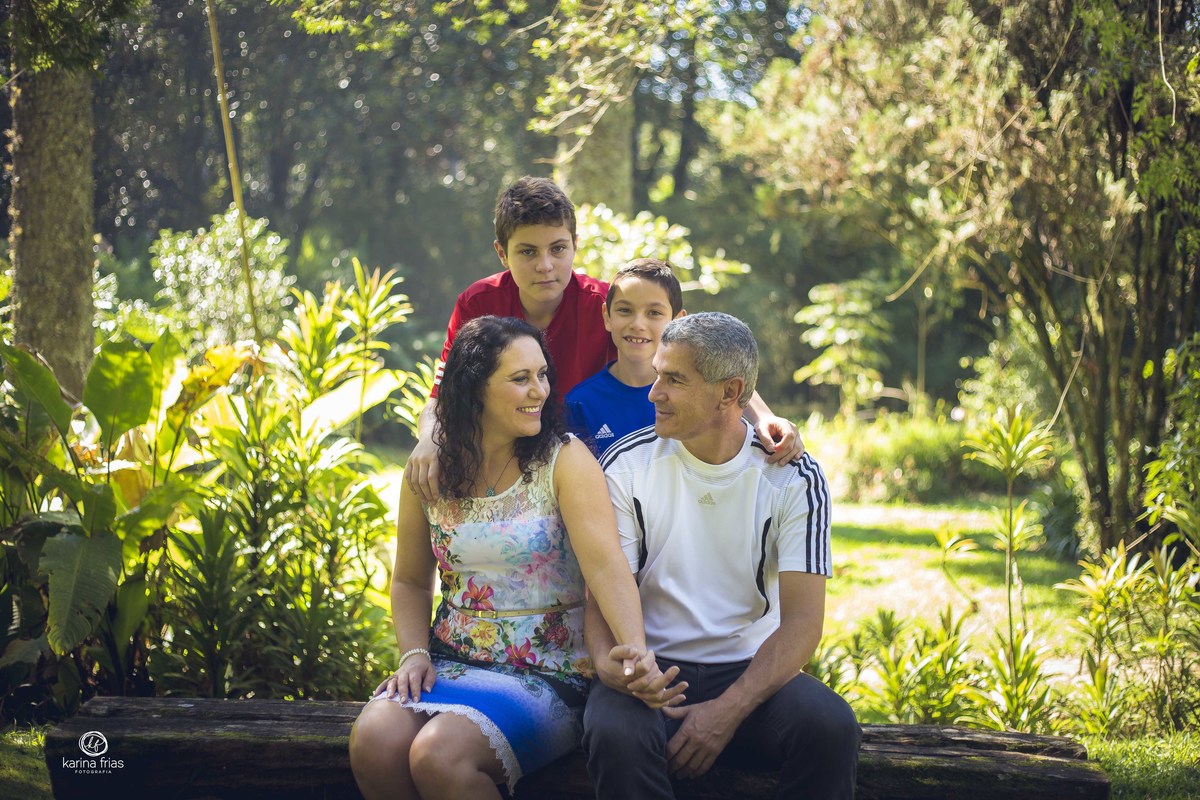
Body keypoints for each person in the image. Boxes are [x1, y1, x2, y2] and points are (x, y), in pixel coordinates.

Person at [349, 316, 679, 800]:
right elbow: (410, 582)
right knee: (373, 740)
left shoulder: (564, 460)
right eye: (520, 378)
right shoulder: (428, 470)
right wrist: (414, 654)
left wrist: (635, 652)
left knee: (438, 755)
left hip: (549, 671)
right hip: (449, 661)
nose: (539, 391)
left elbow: (607, 567)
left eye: (542, 375)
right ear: (475, 388)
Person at [582, 312, 861, 800]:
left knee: (831, 727)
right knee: (615, 735)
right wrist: (613, 666)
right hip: (653, 666)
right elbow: (600, 597)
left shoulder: (794, 478)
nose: (654, 393)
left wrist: (727, 711)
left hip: (751, 669)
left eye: (674, 380)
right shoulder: (626, 466)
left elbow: (802, 625)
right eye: (656, 375)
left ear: (729, 394)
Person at [404, 176, 802, 501]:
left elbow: (697, 357)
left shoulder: (609, 307)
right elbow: (442, 396)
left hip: (592, 466)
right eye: (527, 251)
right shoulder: (478, 304)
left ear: (575, 245)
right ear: (502, 253)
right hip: (500, 461)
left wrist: (764, 417)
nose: (545, 265)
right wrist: (429, 440)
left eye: (558, 248)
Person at [564, 258, 685, 456]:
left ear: (677, 322)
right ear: (607, 316)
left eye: (654, 313)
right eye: (625, 310)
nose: (638, 324)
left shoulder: (690, 395)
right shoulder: (580, 404)